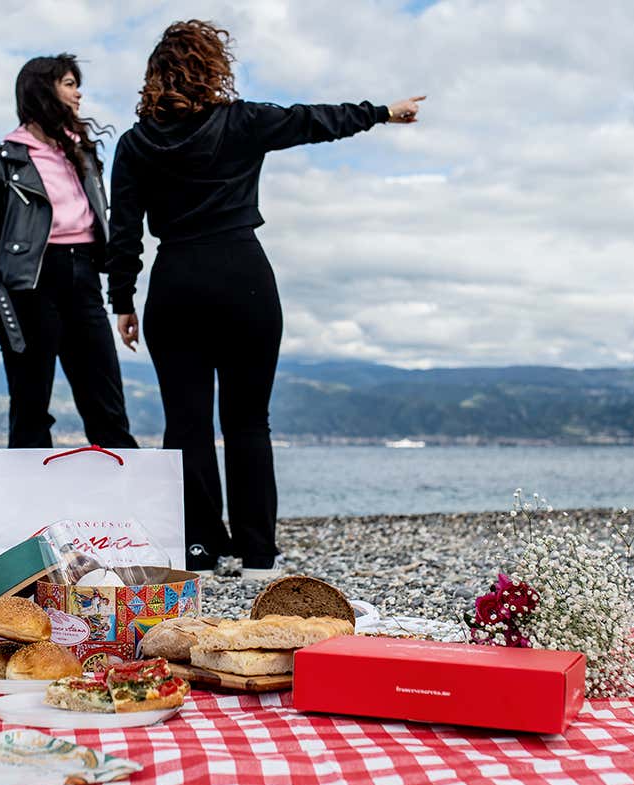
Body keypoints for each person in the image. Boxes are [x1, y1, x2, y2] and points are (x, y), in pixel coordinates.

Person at [106, 20, 425, 579]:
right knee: (249, 422)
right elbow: (313, 121)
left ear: (154, 77)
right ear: (214, 69)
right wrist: (383, 112)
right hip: (242, 278)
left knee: (186, 425)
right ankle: (257, 557)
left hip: (176, 283)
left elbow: (124, 230)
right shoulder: (243, 121)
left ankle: (200, 552)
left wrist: (123, 300)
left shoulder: (136, 145)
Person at [0, 54, 137, 451]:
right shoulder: (3, 161)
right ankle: (25, 511)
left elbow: (102, 225)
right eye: (69, 83)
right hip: (28, 289)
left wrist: (121, 293)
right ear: (44, 89)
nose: (79, 93)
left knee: (107, 407)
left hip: (84, 279)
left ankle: (125, 509)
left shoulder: (83, 154)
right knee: (30, 410)